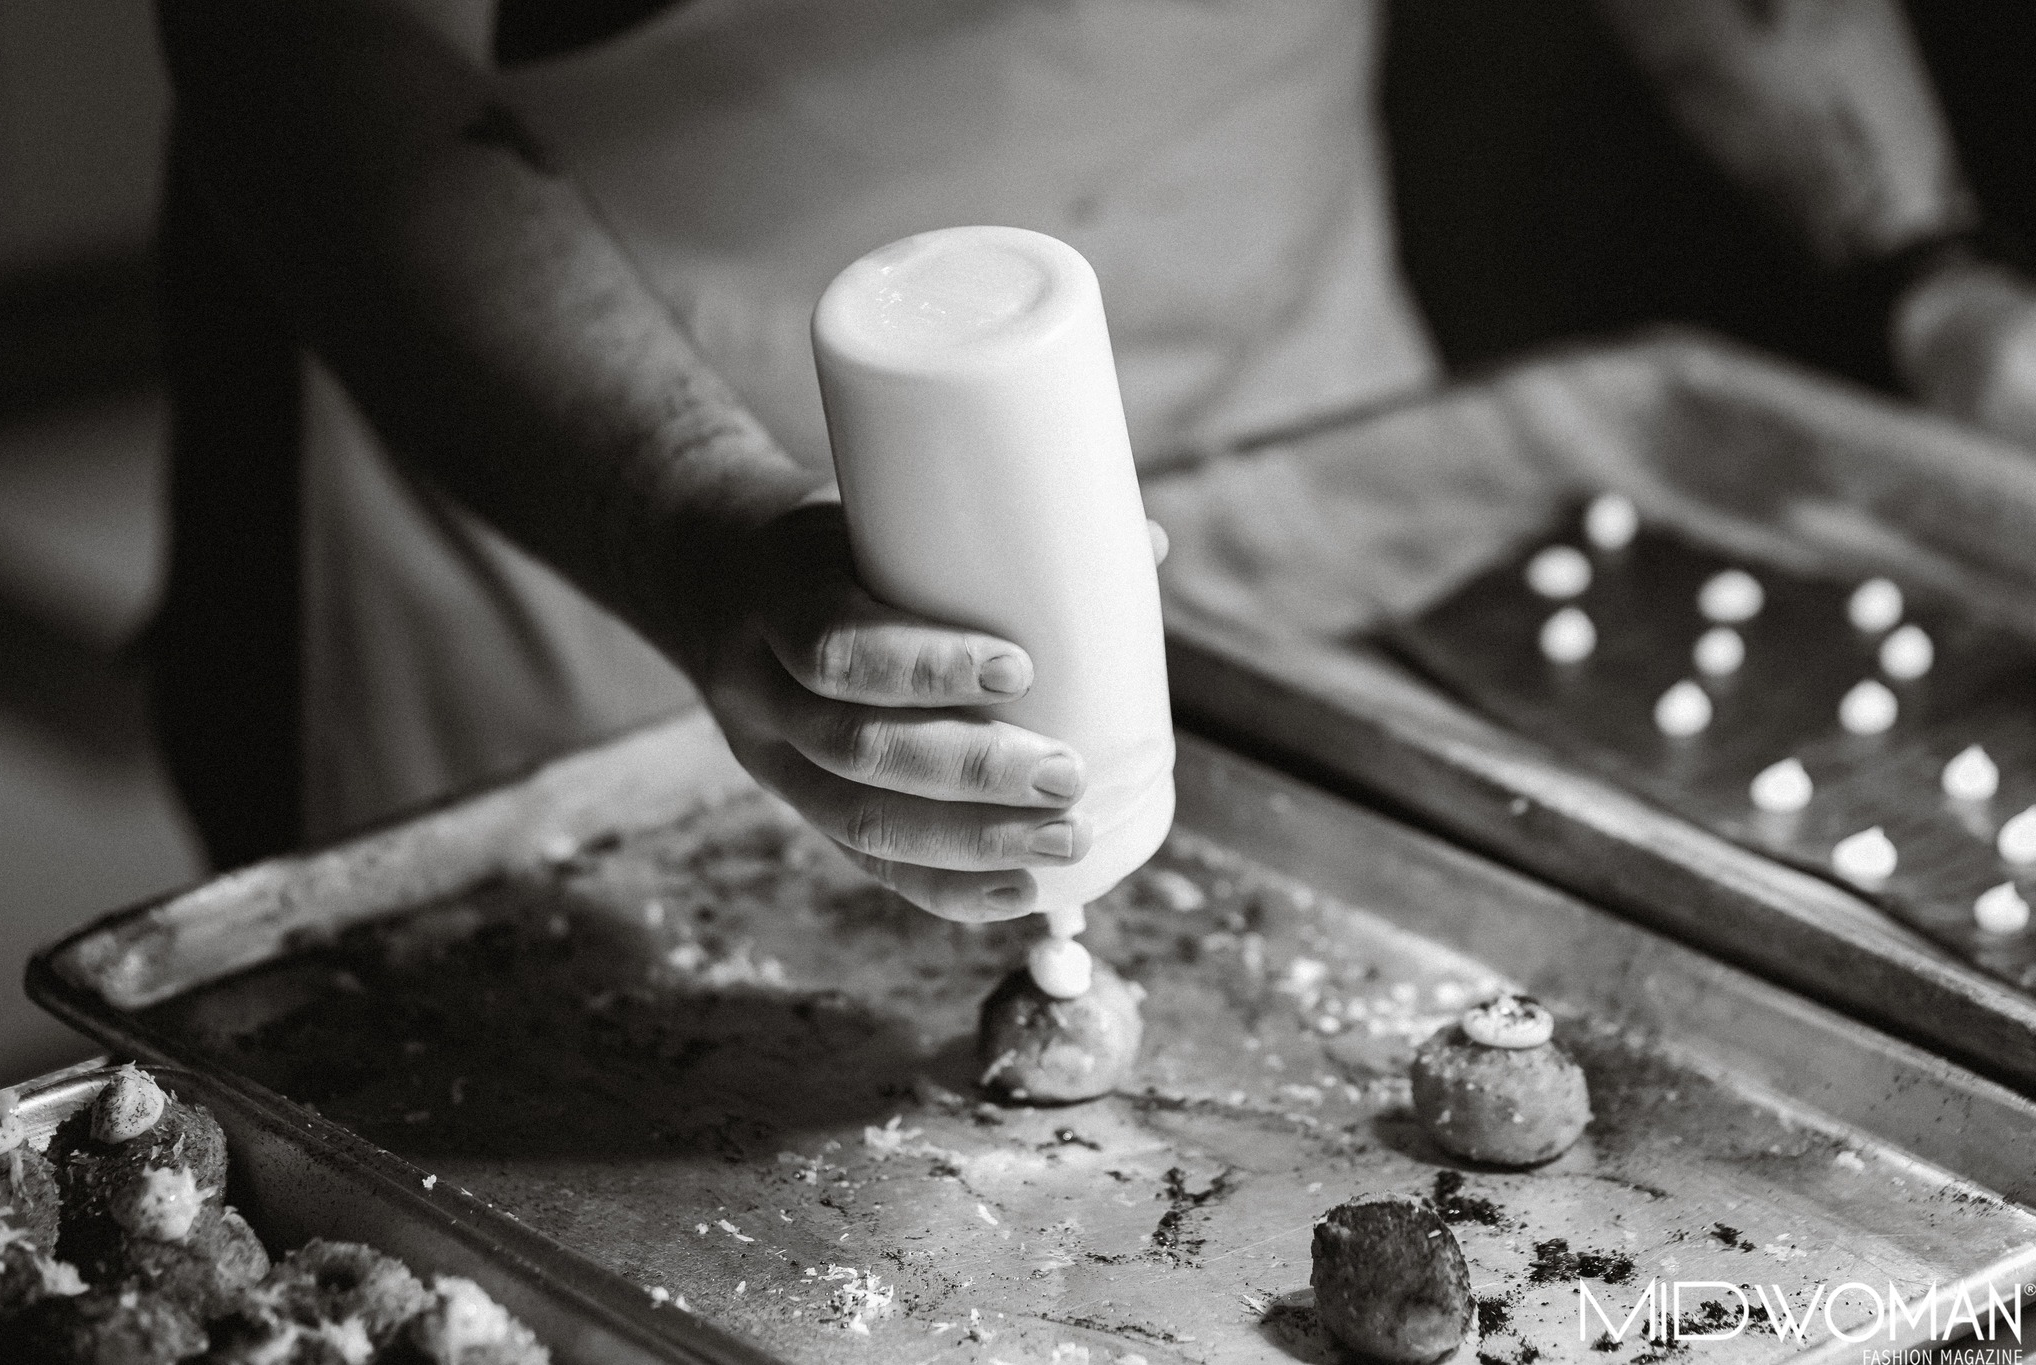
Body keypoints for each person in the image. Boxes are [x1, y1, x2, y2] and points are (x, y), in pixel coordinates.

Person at [149, 0, 2036, 917]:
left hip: (1304, 442)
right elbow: (305, 57)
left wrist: (1925, 275)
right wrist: (697, 531)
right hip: (655, 510)